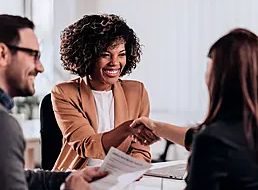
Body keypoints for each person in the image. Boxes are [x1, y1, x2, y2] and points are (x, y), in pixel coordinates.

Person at [131, 28, 258, 189]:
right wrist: (156, 127)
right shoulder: (243, 132)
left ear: (220, 77)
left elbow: (209, 141)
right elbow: (196, 136)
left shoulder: (213, 140)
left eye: (209, 66)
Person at [0, 14, 108, 190]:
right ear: (3, 54)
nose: (40, 67)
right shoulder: (4, 124)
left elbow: (16, 176)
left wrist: (69, 176)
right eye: (33, 55)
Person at [51, 14, 159, 171]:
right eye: (105, 54)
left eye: (121, 54)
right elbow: (87, 145)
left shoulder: (137, 92)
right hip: (78, 178)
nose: (115, 63)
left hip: (121, 179)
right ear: (87, 56)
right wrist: (127, 128)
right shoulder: (64, 93)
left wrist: (133, 172)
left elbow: (140, 150)